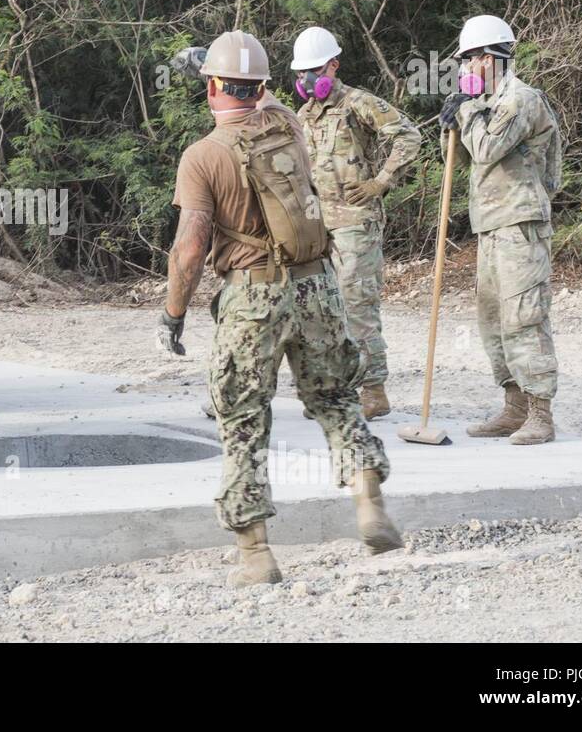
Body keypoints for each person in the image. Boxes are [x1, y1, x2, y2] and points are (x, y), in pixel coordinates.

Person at [157, 30, 401, 587]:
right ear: (265, 85)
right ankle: (368, 499)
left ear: (212, 87)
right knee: (336, 396)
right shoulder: (292, 127)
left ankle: (257, 554)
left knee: (243, 418)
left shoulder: (202, 156)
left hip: (253, 294)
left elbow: (189, 248)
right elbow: (262, 102)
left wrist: (173, 314)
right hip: (317, 285)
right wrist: (238, 78)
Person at [440, 15, 562, 445]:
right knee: (493, 319)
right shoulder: (487, 102)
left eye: (470, 60)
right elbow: (461, 153)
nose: (464, 68)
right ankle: (513, 407)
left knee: (524, 317)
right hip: (492, 224)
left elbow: (488, 148)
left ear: (491, 58)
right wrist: (453, 119)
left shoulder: (519, 99)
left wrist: (468, 108)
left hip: (521, 223)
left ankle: (540, 413)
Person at [290, 26, 422, 419]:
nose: (307, 79)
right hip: (318, 226)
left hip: (356, 224)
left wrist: (381, 181)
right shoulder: (303, 116)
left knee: (357, 306)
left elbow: (409, 135)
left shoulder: (357, 103)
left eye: (314, 70)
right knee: (320, 309)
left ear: (333, 65)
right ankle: (334, 389)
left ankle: (374, 391)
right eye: (301, 73)